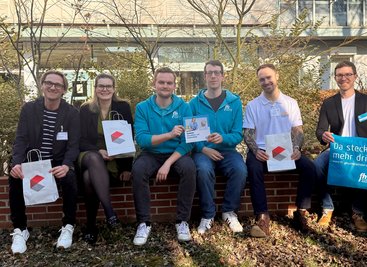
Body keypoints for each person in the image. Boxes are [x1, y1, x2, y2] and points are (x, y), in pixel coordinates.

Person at [314, 61, 367, 232]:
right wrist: (324, 135)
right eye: (340, 75)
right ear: (335, 78)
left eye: (348, 74)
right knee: (318, 164)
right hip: (337, 149)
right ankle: (327, 208)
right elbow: (320, 129)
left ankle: (358, 212)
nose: (344, 78)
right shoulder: (328, 103)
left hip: (361, 151)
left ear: (355, 77)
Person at [9, 70, 80, 254]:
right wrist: (16, 163)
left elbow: (73, 145)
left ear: (64, 89)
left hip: (57, 162)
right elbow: (21, 139)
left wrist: (66, 165)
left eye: (58, 84)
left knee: (70, 178)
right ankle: (20, 230)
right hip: (34, 161)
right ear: (42, 86)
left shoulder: (71, 113)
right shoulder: (29, 109)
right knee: (15, 177)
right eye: (49, 83)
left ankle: (68, 226)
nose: (53, 87)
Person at [243, 63, 316, 237]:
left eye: (269, 77)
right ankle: (262, 217)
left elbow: (298, 130)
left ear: (277, 76)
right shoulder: (253, 105)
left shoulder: (290, 103)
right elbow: (247, 133)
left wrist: (297, 147)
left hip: (286, 151)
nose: (266, 81)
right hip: (262, 151)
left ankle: (301, 212)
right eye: (262, 79)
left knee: (309, 168)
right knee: (253, 168)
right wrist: (255, 150)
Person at [131, 67, 196, 245]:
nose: (165, 86)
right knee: (138, 170)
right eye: (161, 82)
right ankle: (144, 222)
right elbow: (143, 140)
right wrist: (169, 134)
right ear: (154, 84)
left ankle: (182, 221)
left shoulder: (185, 107)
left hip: (176, 154)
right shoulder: (143, 107)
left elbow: (189, 141)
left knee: (190, 168)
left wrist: (168, 163)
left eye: (169, 83)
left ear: (175, 86)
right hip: (151, 154)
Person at [189, 60, 247, 234]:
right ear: (205, 76)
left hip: (228, 151)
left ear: (223, 76)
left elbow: (238, 134)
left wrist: (223, 138)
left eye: (216, 72)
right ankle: (207, 214)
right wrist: (203, 149)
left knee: (240, 170)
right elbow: (190, 135)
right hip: (203, 152)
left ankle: (229, 212)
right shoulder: (194, 104)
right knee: (203, 169)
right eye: (209, 72)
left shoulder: (234, 102)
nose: (213, 76)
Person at [79, 73, 134, 244]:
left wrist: (127, 167)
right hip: (89, 154)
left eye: (108, 86)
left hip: (114, 158)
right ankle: (110, 212)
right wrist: (98, 150)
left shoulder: (123, 107)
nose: (104, 89)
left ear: (114, 88)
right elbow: (79, 139)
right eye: (101, 86)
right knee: (94, 158)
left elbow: (129, 137)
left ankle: (90, 226)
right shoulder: (85, 109)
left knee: (88, 178)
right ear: (95, 89)